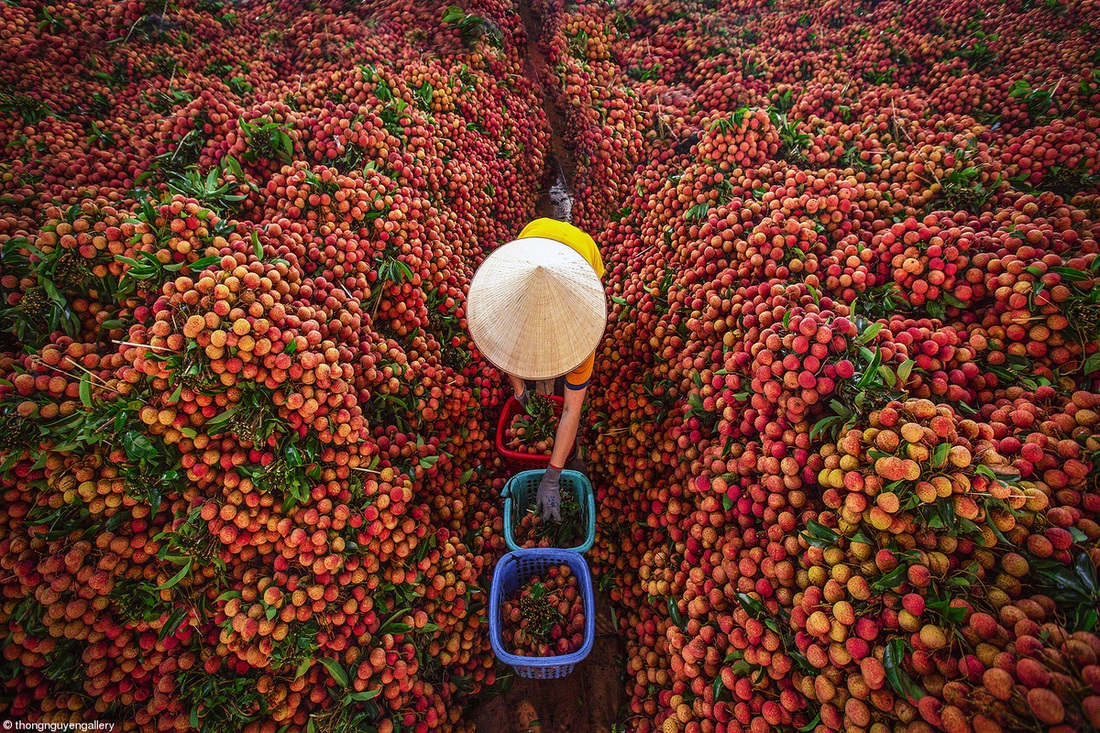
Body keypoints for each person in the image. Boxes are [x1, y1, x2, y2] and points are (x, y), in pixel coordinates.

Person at [466, 218, 606, 522]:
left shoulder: (581, 348)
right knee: (524, 350)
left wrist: (552, 475)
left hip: (584, 254)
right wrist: (520, 389)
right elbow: (503, 348)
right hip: (534, 237)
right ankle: (538, 385)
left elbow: (571, 410)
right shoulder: (508, 314)